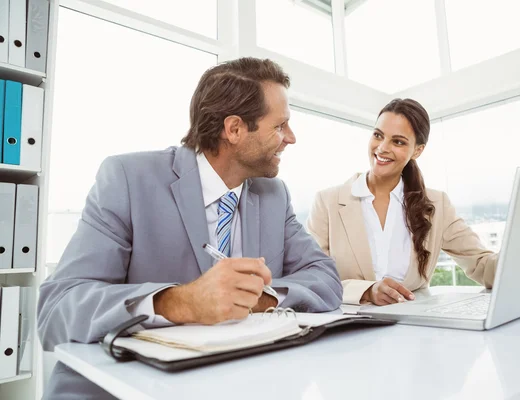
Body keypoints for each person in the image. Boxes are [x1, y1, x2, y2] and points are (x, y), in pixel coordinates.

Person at [37, 57, 343, 399]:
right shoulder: (128, 178)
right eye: (280, 126)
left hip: (242, 383)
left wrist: (261, 298)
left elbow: (324, 277)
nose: (291, 138)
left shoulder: (273, 195)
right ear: (235, 129)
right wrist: (179, 302)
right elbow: (56, 308)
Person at [306, 98, 497, 306]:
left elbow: (481, 264)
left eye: (398, 142)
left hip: (413, 329)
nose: (382, 148)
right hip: (350, 329)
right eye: (378, 135)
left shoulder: (437, 204)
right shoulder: (327, 202)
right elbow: (312, 277)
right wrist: (367, 291)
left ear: (417, 150)